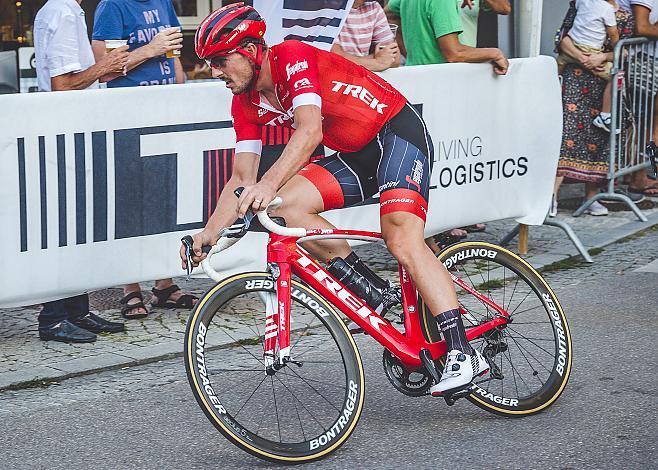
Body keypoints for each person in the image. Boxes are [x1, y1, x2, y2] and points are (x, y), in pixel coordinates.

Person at [181, 3, 488, 395]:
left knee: (401, 239)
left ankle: (463, 351)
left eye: (221, 61)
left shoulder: (292, 57)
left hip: (396, 133)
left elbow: (308, 132)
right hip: (357, 152)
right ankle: (372, 291)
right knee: (289, 206)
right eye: (209, 63)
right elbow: (241, 178)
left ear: (250, 49)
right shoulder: (245, 103)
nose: (215, 72)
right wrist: (207, 235)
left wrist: (268, 184)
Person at [91, 0, 198, 318]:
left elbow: (173, 56)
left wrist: (181, 94)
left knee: (164, 203)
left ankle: (164, 283)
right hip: (128, 119)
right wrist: (151, 49)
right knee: (131, 206)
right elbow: (104, 68)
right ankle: (130, 288)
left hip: (163, 115)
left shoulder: (162, 2)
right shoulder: (113, 6)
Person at [33, 0, 128, 342]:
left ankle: (76, 311)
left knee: (75, 228)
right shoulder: (61, 11)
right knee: (63, 230)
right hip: (65, 132)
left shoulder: (66, 10)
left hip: (74, 132)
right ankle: (54, 318)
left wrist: (105, 68)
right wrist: (105, 66)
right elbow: (61, 84)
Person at [551, 1, 636, 217]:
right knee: (566, 135)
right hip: (576, 78)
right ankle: (551, 197)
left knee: (600, 137)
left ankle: (591, 197)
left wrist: (603, 57)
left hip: (604, 84)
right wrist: (582, 58)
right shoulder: (582, 4)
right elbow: (562, 38)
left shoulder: (625, 16)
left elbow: (627, 50)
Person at [557, 0, 620, 133]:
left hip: (572, 44)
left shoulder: (582, 1)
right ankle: (605, 115)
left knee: (557, 72)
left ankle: (552, 94)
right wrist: (617, 48)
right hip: (590, 51)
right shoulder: (607, 9)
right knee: (616, 76)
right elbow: (613, 34)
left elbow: (562, 38)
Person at [627, 0, 658, 196]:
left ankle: (650, 173)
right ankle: (638, 176)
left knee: (653, 126)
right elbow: (642, 27)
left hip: (652, 60)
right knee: (642, 123)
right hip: (646, 63)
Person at [331, 0, 400, 72]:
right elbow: (331, 58)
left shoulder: (373, 7)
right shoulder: (328, 8)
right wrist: (377, 62)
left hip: (359, 79)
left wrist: (376, 61)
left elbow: (394, 59)